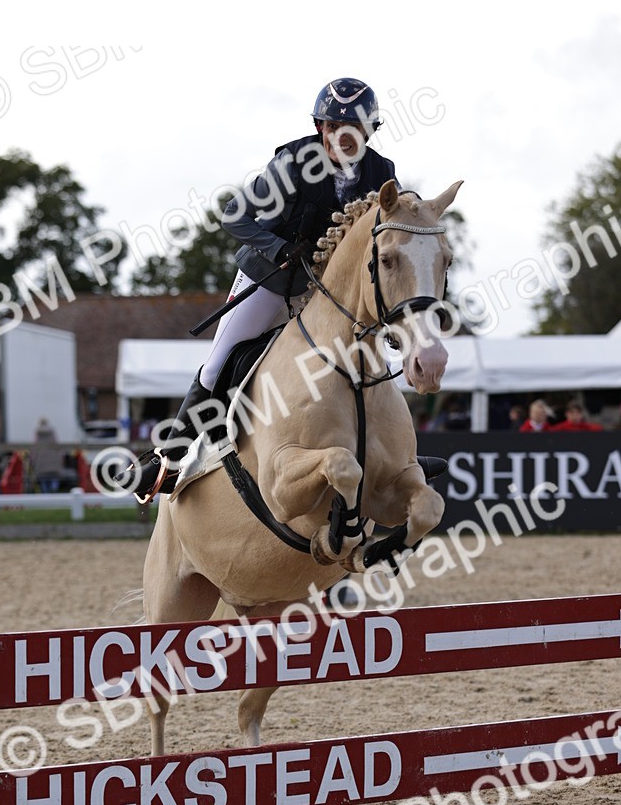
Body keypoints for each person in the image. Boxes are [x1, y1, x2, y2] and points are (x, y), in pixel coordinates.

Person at [130, 77, 443, 503]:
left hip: (328, 291)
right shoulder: (295, 163)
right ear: (321, 127)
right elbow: (234, 217)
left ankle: (392, 454)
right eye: (336, 126)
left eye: (356, 128)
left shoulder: (381, 172)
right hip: (271, 278)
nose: (346, 136)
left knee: (369, 354)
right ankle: (168, 460)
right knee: (220, 360)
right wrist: (278, 246)